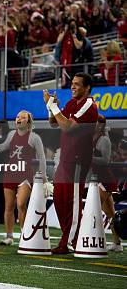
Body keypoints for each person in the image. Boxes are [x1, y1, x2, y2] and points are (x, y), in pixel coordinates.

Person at [44, 72, 98, 254]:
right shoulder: (70, 104)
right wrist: (51, 107)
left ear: (87, 87)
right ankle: (70, 237)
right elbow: (53, 122)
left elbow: (67, 126)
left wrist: (54, 107)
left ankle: (70, 242)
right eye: (72, 84)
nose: (72, 87)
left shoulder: (89, 104)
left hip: (77, 160)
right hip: (65, 158)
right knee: (59, 199)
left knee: (73, 201)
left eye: (77, 84)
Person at [0, 110, 47, 246]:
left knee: (21, 204)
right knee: (8, 206)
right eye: (17, 117)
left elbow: (42, 157)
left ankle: (24, 234)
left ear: (28, 121)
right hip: (10, 173)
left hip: (25, 175)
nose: (19, 119)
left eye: (23, 117)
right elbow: (3, 146)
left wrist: (43, 176)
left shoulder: (34, 137)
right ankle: (9, 237)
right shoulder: (11, 134)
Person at [91, 115, 122, 252]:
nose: (96, 125)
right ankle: (117, 243)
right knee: (110, 213)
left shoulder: (104, 140)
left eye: (99, 123)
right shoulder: (91, 137)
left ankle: (94, 241)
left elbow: (105, 161)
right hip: (98, 178)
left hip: (105, 179)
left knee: (95, 209)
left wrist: (88, 158)